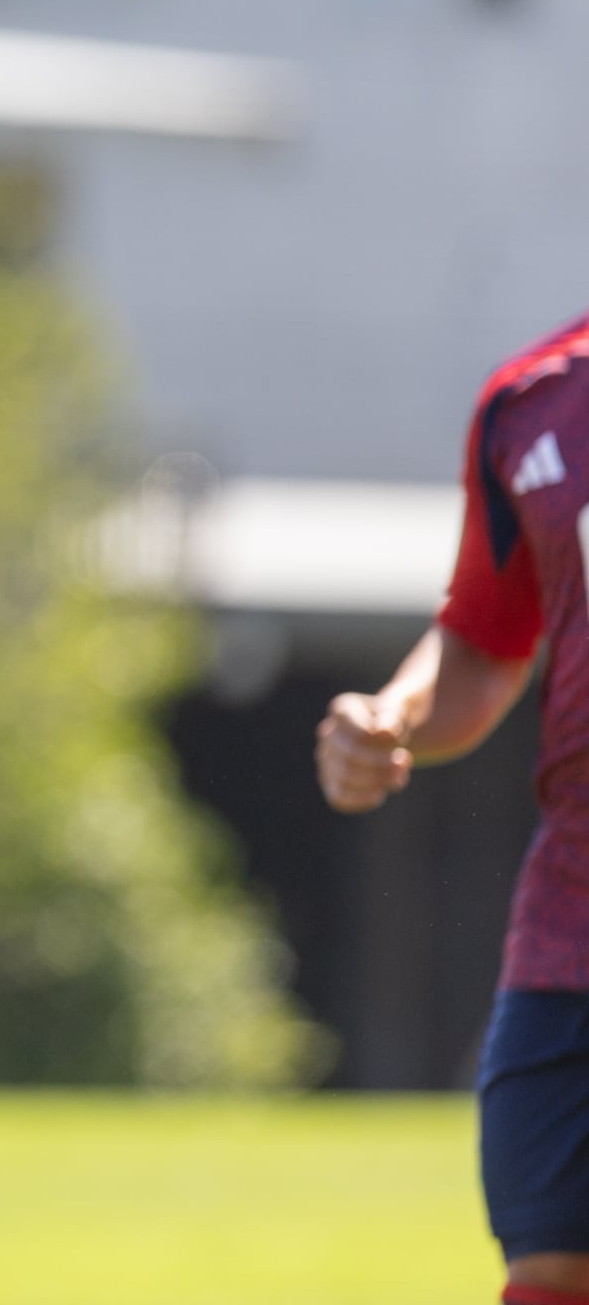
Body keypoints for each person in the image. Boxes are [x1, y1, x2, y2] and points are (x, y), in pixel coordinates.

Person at [318, 312, 589, 1305]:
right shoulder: (533, 400)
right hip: (572, 919)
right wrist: (390, 717)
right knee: (550, 1264)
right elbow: (483, 638)